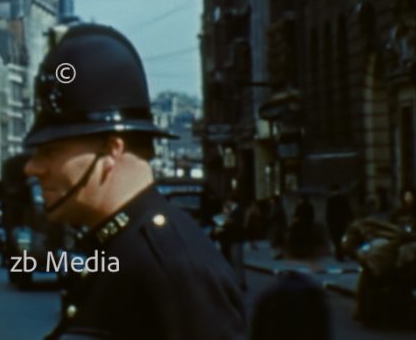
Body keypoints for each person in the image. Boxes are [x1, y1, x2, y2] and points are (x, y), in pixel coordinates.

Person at [23, 23, 246, 340]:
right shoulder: (123, 249)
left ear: (112, 150)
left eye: (50, 151)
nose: (32, 168)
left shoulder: (172, 267)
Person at [325, 184, 353, 261]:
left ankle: (339, 255)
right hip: (342, 222)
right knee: (341, 239)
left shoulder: (330, 200)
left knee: (336, 239)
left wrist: (328, 222)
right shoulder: (343, 199)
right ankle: (341, 254)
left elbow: (328, 213)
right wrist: (350, 220)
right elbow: (348, 210)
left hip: (334, 223)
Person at [267, 195, 287, 260]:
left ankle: (276, 254)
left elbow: (271, 216)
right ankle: (280, 253)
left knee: (274, 240)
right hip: (280, 226)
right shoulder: (281, 207)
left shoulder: (274, 207)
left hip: (275, 226)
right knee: (279, 241)